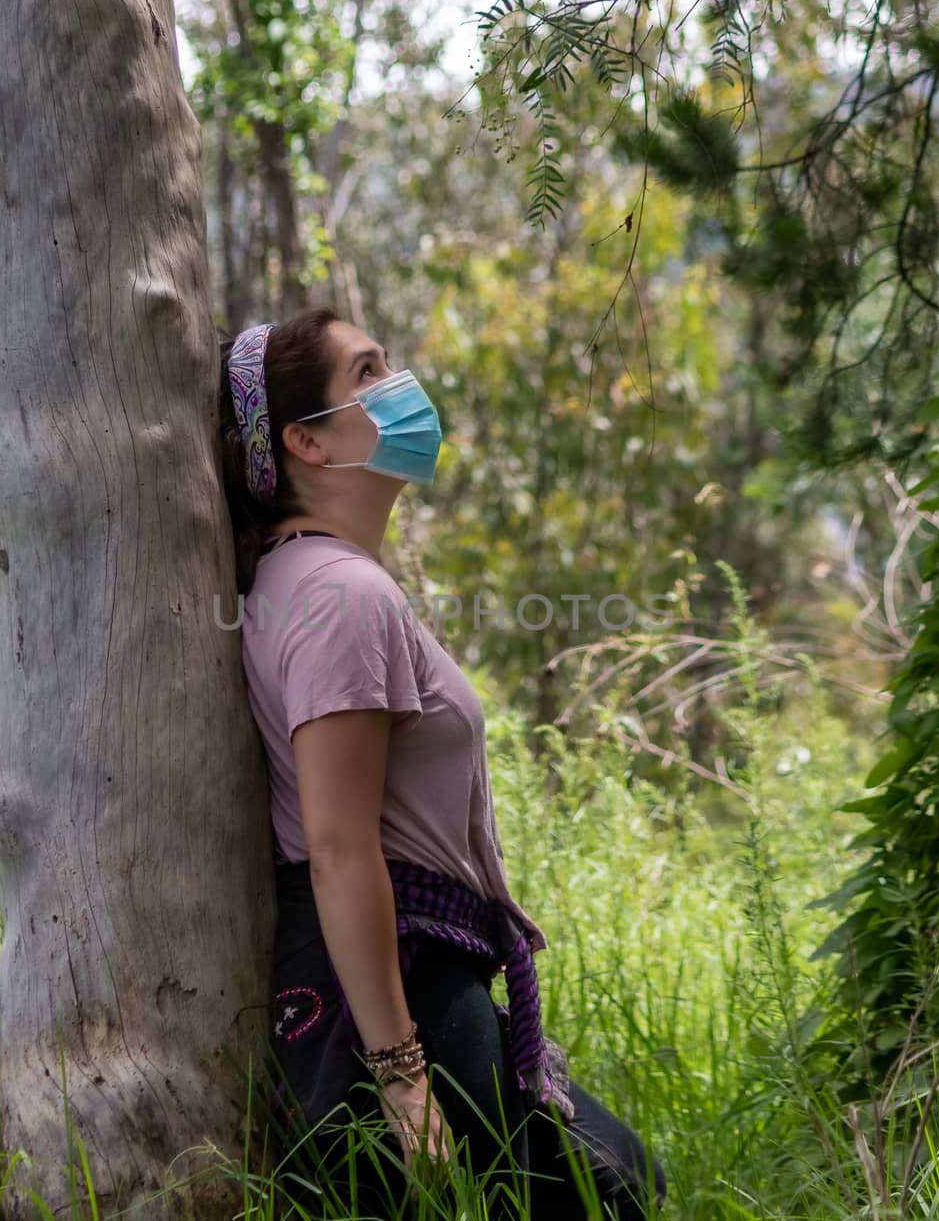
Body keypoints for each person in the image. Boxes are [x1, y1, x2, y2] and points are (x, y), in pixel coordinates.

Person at [218, 305, 667, 1218]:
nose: (402, 389)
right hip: (391, 976)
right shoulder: (340, 596)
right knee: (611, 1190)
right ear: (307, 440)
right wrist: (402, 1076)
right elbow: (341, 849)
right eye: (369, 372)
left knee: (618, 1178)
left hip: (401, 970)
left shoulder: (313, 581)